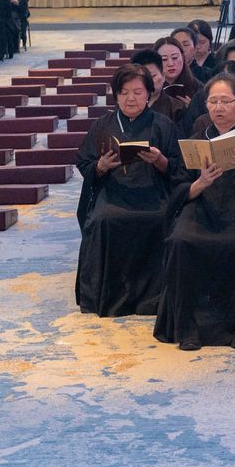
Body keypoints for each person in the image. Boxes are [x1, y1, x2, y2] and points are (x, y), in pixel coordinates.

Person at [153, 73, 235, 350]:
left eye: (225, 101)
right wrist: (200, 184)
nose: (218, 108)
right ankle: (190, 328)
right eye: (212, 101)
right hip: (202, 210)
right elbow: (178, 188)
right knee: (182, 240)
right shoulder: (196, 140)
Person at [74, 65, 184, 318]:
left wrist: (160, 161)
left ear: (148, 94)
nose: (130, 98)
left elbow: (179, 166)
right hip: (113, 192)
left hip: (153, 191)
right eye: (124, 92)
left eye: (137, 92)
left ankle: (153, 299)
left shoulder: (163, 125)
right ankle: (110, 297)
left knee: (161, 218)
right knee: (103, 220)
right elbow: (84, 162)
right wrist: (101, 166)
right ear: (115, 95)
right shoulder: (103, 125)